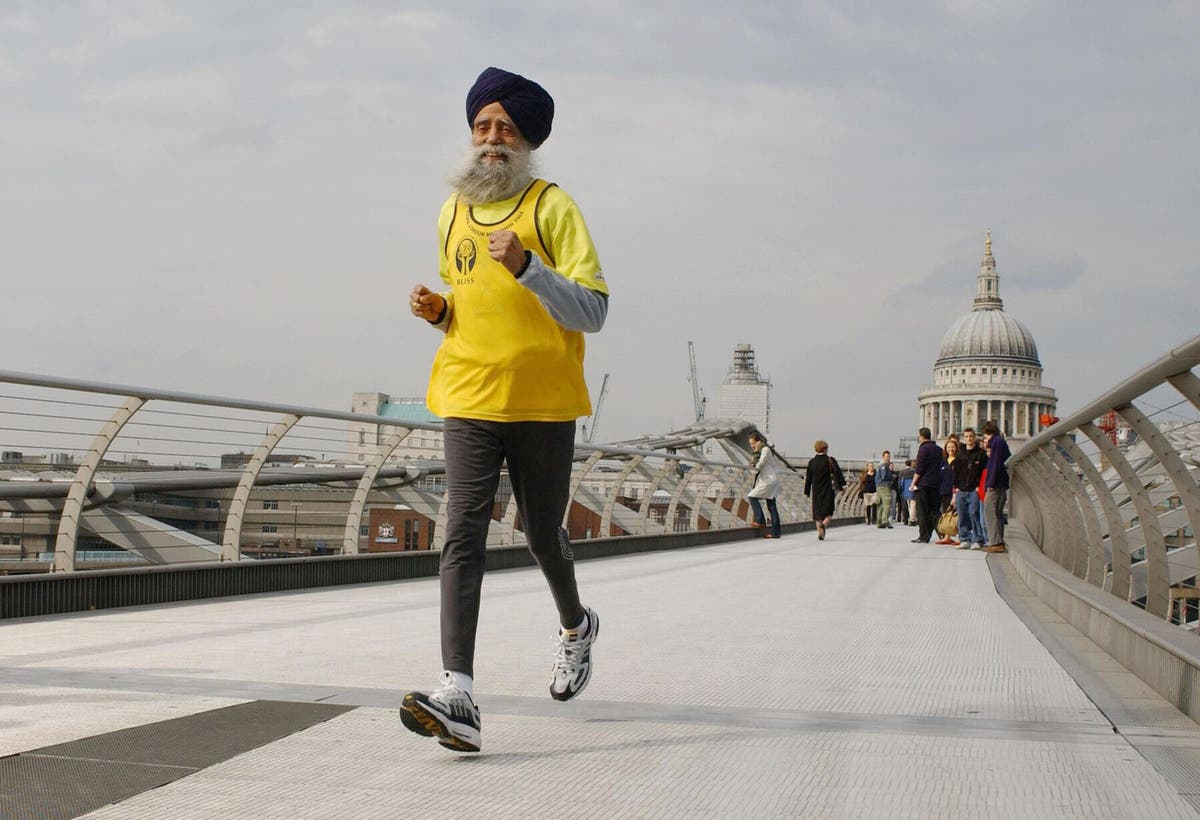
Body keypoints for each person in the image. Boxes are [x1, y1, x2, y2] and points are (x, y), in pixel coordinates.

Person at [402, 67, 610, 753]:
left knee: (541, 533)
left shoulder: (552, 207)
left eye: (506, 129)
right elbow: (474, 307)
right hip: (467, 393)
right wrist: (442, 314)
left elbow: (594, 310)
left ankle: (576, 627)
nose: (492, 139)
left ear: (526, 141)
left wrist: (530, 267)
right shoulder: (450, 212)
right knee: (461, 529)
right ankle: (456, 690)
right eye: (483, 126)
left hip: (542, 402)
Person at [951, 427, 987, 550]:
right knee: (962, 515)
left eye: (970, 436)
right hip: (961, 489)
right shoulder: (960, 453)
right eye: (966, 437)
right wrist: (955, 488)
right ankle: (964, 538)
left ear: (974, 437)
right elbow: (956, 471)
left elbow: (984, 472)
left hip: (974, 489)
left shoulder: (980, 454)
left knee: (974, 514)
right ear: (964, 438)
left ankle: (977, 539)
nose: (969, 439)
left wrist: (979, 486)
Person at [804, 440, 845, 540]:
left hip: (816, 490)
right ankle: (824, 525)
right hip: (827, 489)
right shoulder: (830, 460)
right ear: (825, 449)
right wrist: (842, 485)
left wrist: (807, 491)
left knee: (817, 513)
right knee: (829, 511)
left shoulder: (812, 462)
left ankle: (820, 533)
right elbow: (838, 473)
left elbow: (808, 478)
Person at [746, 432, 785, 538]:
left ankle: (761, 521)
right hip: (768, 480)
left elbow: (761, 464)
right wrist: (753, 465)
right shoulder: (757, 453)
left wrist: (754, 465)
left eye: (753, 443)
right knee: (772, 506)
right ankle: (776, 532)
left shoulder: (765, 450)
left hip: (769, 481)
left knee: (751, 496)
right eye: (751, 444)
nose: (752, 446)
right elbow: (755, 471)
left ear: (759, 441)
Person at [981, 420, 1011, 553]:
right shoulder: (1000, 442)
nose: (985, 439)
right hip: (1000, 483)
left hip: (996, 484)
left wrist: (990, 484)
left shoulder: (997, 443)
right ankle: (997, 541)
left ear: (989, 433)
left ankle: (996, 542)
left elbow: (996, 465)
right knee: (996, 513)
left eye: (985, 436)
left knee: (990, 512)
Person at [909, 428, 942, 544]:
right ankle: (941, 531)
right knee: (934, 510)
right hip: (936, 484)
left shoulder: (923, 449)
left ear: (921, 437)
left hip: (923, 484)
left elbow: (920, 468)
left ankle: (924, 536)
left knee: (922, 511)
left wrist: (913, 483)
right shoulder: (939, 450)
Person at [934, 439, 959, 545]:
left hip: (956, 491)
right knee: (946, 513)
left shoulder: (958, 461)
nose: (951, 449)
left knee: (957, 515)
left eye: (953, 447)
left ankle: (961, 537)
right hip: (944, 491)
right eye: (949, 447)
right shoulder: (943, 461)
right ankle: (947, 536)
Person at [874, 451, 896, 528]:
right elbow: (884, 476)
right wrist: (892, 477)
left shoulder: (879, 465)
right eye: (886, 457)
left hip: (879, 486)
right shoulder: (884, 465)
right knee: (887, 503)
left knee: (880, 504)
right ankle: (885, 521)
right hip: (884, 486)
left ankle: (879, 522)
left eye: (889, 457)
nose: (888, 458)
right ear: (883, 457)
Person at [898, 459, 916, 525]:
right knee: (913, 505)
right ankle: (912, 519)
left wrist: (900, 490)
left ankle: (906, 520)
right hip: (913, 490)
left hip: (905, 491)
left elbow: (900, 482)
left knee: (907, 506)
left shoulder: (902, 472)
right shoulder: (915, 472)